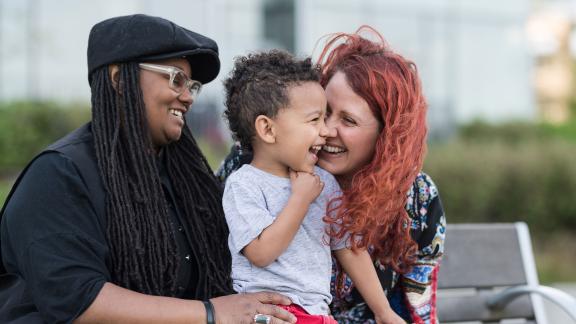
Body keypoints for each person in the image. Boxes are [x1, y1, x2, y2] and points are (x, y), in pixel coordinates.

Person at [0, 14, 297, 324]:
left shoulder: (185, 177)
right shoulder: (59, 174)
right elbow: (79, 301)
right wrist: (210, 312)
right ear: (118, 79)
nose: (187, 97)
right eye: (176, 79)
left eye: (192, 85)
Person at [217, 26, 446, 324]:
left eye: (348, 120)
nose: (326, 131)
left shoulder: (417, 199)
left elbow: (411, 305)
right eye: (321, 114)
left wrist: (384, 313)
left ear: (386, 136)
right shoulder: (251, 165)